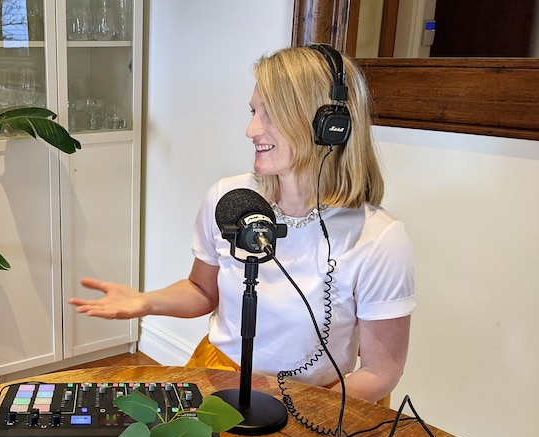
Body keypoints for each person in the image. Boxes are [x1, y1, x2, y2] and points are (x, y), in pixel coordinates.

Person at [69, 45, 414, 404]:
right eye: (253, 111)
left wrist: (294, 412)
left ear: (329, 126)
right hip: (222, 379)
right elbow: (203, 290)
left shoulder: (380, 238)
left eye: (270, 114)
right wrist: (145, 302)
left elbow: (380, 372)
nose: (251, 130)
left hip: (323, 402)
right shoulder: (229, 198)